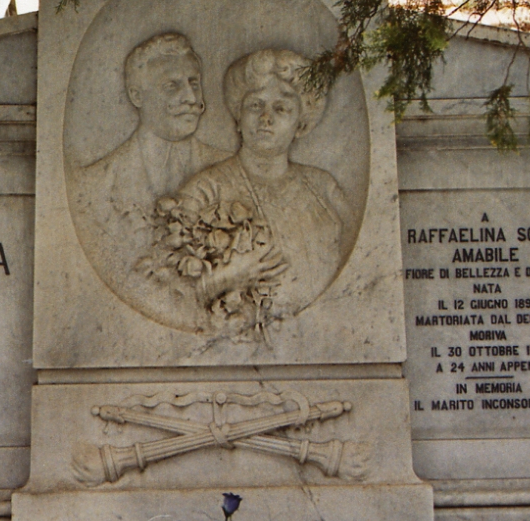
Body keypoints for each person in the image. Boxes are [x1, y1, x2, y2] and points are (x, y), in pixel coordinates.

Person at [173, 48, 351, 323]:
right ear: (238, 116)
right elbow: (171, 293)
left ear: (301, 124)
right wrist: (227, 278)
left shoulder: (323, 189)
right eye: (256, 105)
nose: (266, 117)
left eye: (281, 108)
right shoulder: (204, 191)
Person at [75, 33, 229, 242]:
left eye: (194, 84)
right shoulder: (96, 183)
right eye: (172, 86)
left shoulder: (228, 170)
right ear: (137, 96)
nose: (191, 98)